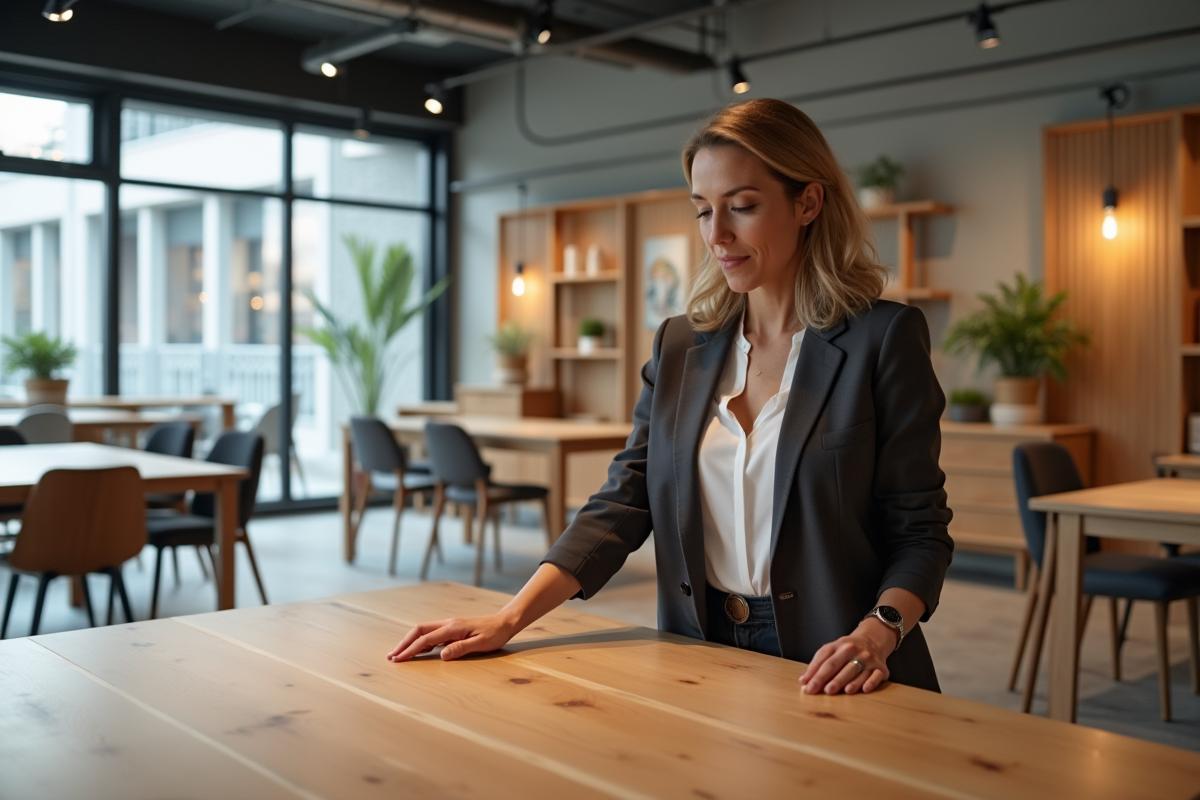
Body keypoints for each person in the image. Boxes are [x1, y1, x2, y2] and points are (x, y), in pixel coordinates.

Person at [387, 98, 953, 696]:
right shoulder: (682, 345)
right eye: (704, 212)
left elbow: (920, 531)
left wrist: (878, 632)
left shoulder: (882, 338)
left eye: (743, 207)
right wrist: (509, 617)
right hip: (699, 650)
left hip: (841, 663)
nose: (718, 235)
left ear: (808, 202)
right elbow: (623, 500)